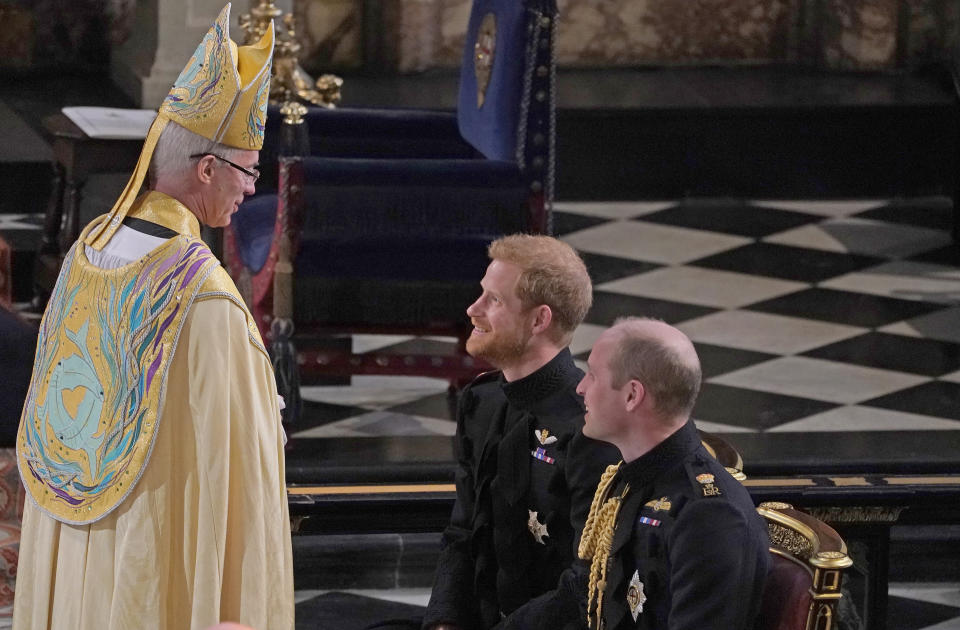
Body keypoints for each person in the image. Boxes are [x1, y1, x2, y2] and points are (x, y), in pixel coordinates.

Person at [13, 5, 294, 629]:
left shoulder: (90, 246)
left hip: (78, 525)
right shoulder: (203, 292)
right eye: (247, 170)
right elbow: (234, 460)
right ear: (206, 168)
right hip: (149, 539)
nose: (252, 188)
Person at [422, 235, 621, 630]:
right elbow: (463, 532)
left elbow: (586, 584)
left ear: (539, 320)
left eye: (493, 300)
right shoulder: (481, 401)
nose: (472, 309)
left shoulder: (592, 428)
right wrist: (443, 621)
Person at [573, 318, 769, 630]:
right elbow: (580, 596)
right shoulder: (628, 478)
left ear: (632, 395)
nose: (580, 387)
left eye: (593, 375)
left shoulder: (709, 515)